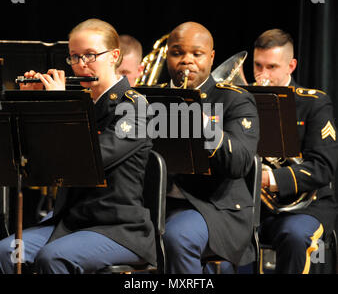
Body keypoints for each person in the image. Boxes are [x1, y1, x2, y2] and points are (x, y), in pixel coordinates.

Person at [0, 18, 156, 274]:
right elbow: (40, 159)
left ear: (114, 56)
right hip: (70, 222)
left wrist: (61, 106)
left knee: (53, 258)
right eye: (74, 57)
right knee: (6, 252)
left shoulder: (137, 107)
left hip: (117, 228)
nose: (81, 65)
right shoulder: (82, 102)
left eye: (90, 55)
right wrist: (33, 102)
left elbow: (88, 161)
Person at [163, 21, 260, 273]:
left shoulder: (235, 99)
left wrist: (204, 124)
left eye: (197, 54)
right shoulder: (150, 97)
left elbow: (239, 162)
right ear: (167, 54)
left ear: (212, 57)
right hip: (159, 203)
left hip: (215, 208)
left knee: (177, 237)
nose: (187, 61)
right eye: (177, 53)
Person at [253, 28, 338, 273]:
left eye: (271, 67)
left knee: (293, 236)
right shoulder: (243, 101)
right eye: (258, 66)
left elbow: (323, 167)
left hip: (306, 206)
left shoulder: (314, 103)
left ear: (291, 65)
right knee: (219, 231)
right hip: (255, 208)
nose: (262, 76)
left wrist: (270, 178)